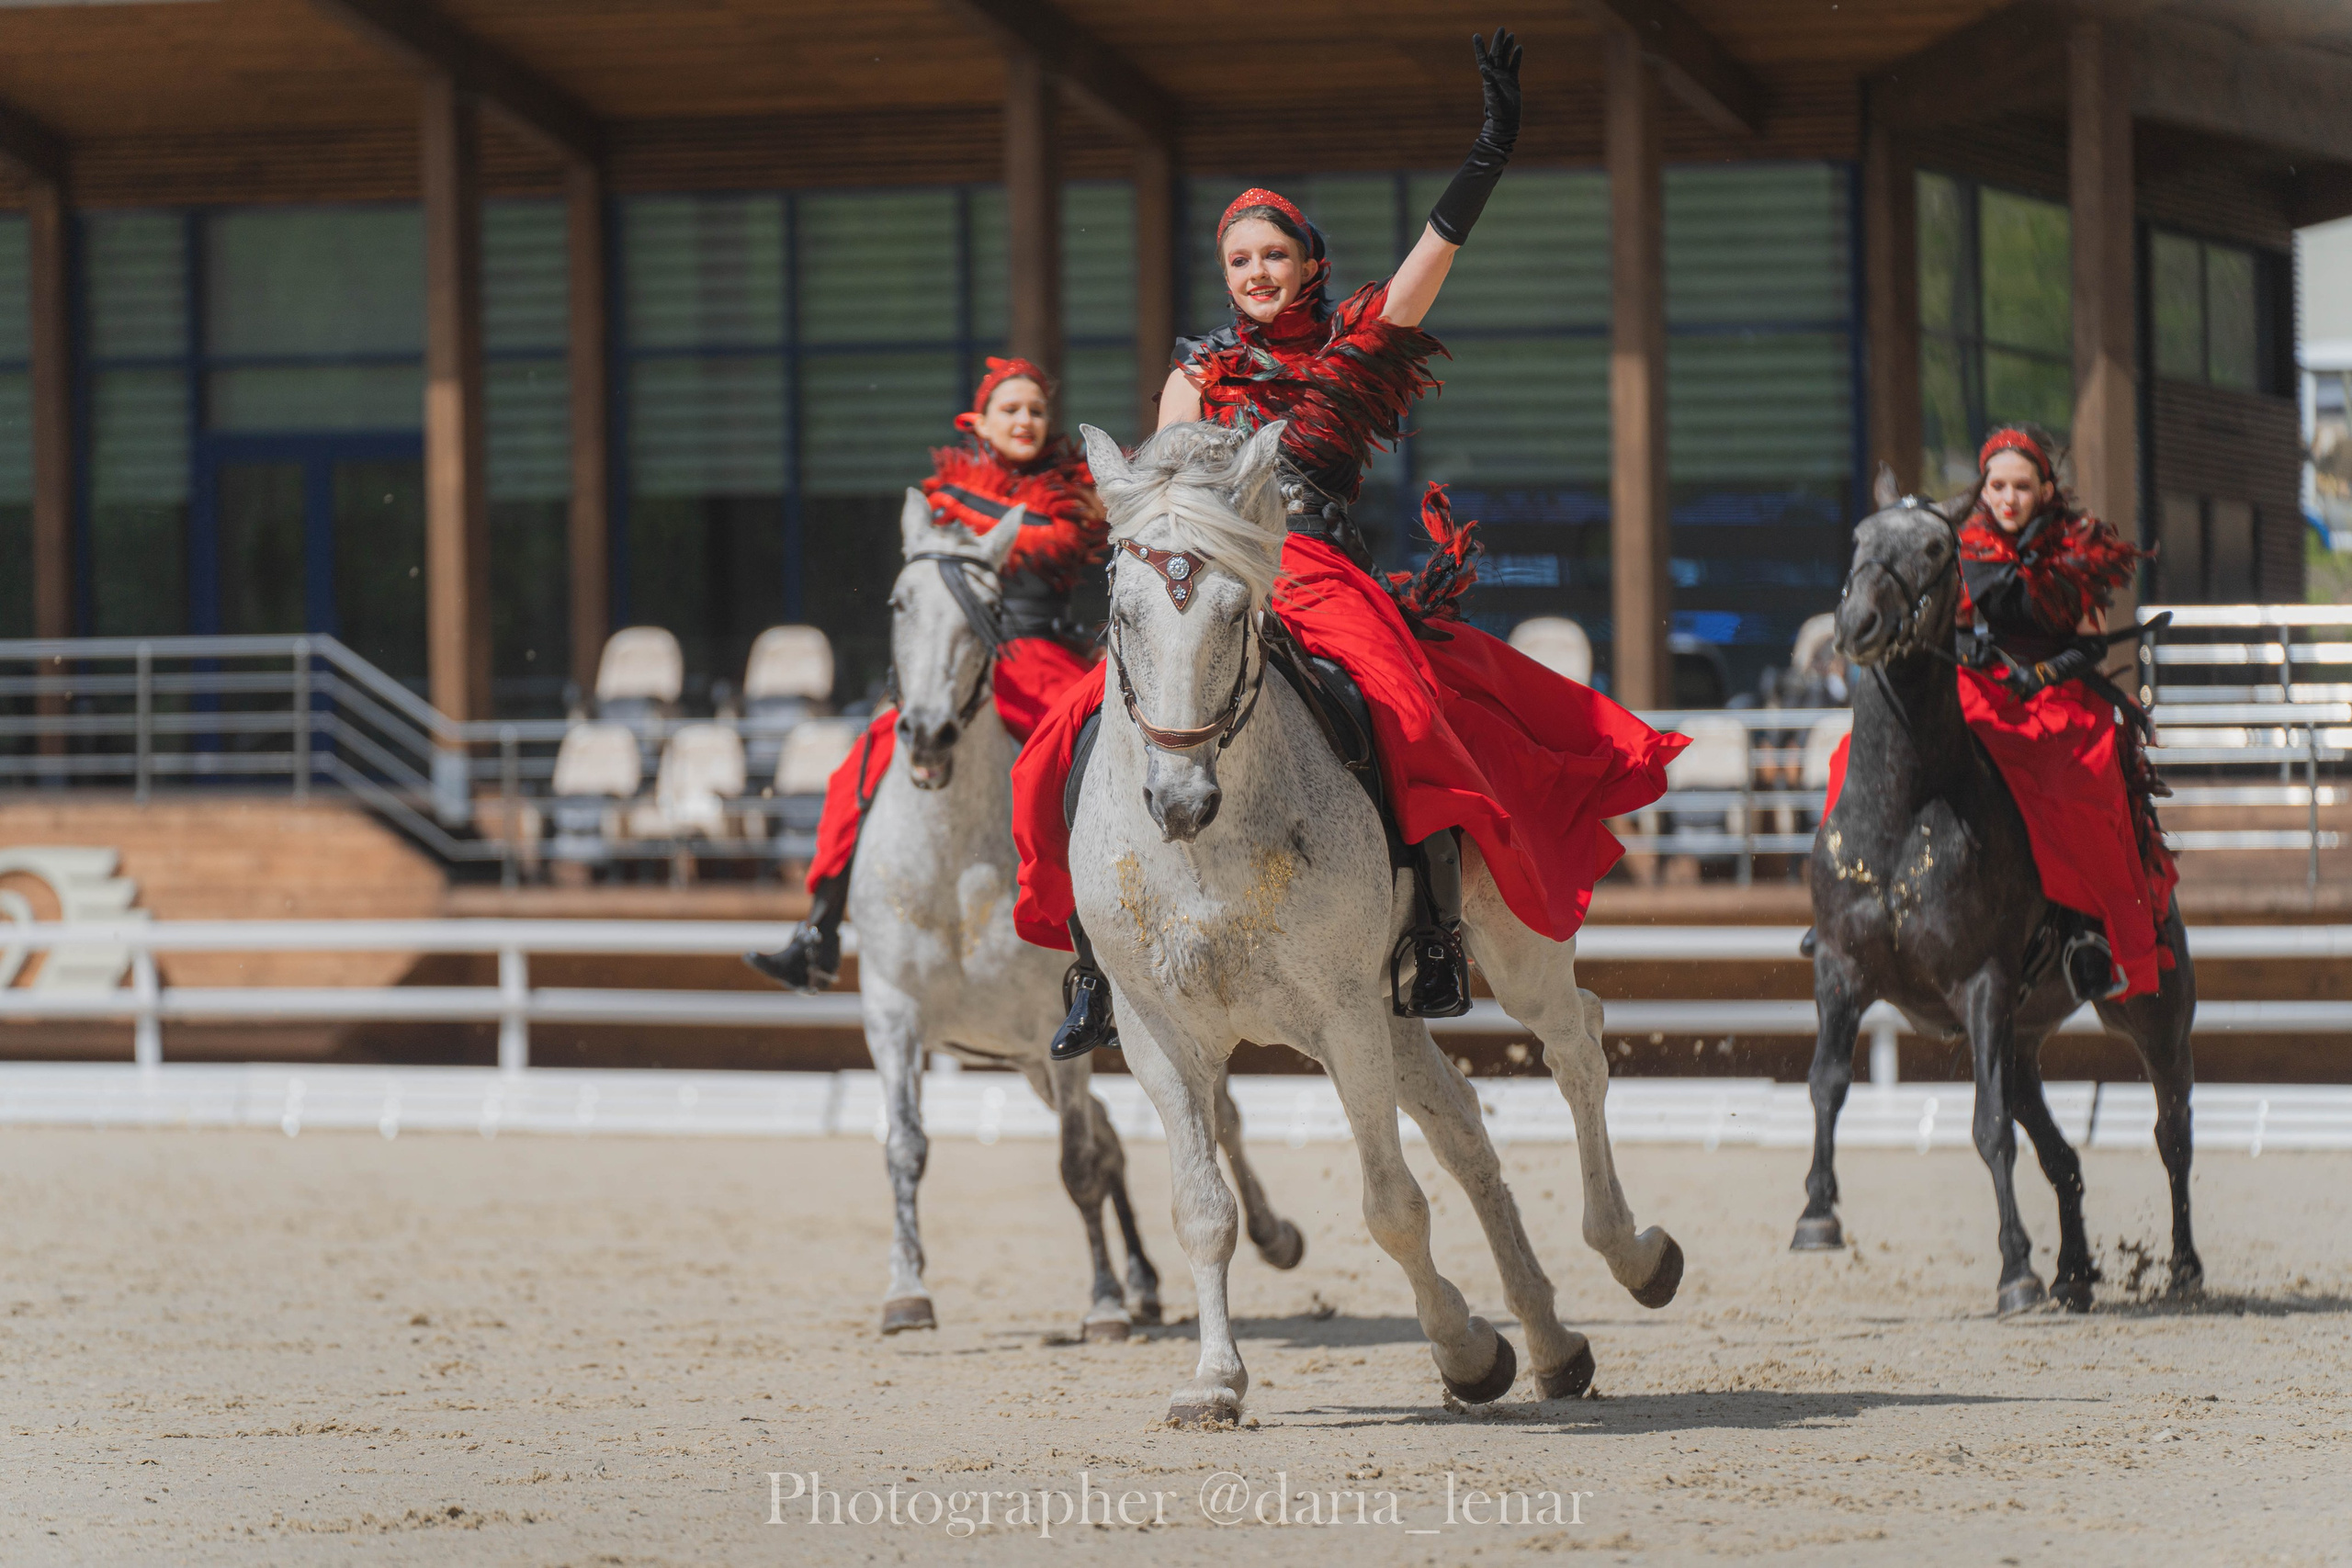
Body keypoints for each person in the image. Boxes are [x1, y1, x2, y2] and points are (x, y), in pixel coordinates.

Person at [1011, 28, 1688, 1059]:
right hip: (1206, 571)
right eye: (1239, 260)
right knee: (1063, 734)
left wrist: (1491, 147)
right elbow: (1155, 496)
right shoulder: (1196, 372)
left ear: (1308, 263)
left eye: (1273, 255)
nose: (1255, 273)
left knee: (1411, 715)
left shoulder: (1355, 345)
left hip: (1315, 570)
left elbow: (1434, 254)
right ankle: (1093, 963)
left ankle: (1434, 939)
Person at [746, 357, 1106, 991]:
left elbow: (1071, 544)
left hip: (1044, 656)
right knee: (854, 769)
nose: (1025, 419)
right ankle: (819, 930)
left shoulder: (1077, 489)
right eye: (1011, 409)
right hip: (953, 655)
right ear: (981, 421)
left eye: (1036, 410)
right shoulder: (946, 488)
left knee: (1084, 765)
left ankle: (1098, 941)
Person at [1824, 424, 2177, 1000]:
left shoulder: (2073, 551)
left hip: (2052, 700)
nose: (2008, 498)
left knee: (2082, 786)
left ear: (2043, 489)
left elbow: (2088, 643)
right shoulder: (1949, 545)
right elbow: (1941, 624)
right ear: (1983, 491)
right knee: (1849, 756)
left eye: (2021, 486)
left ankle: (2091, 934)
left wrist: (2040, 673)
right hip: (1973, 689)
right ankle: (1845, 909)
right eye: (1997, 486)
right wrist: (1968, 650)